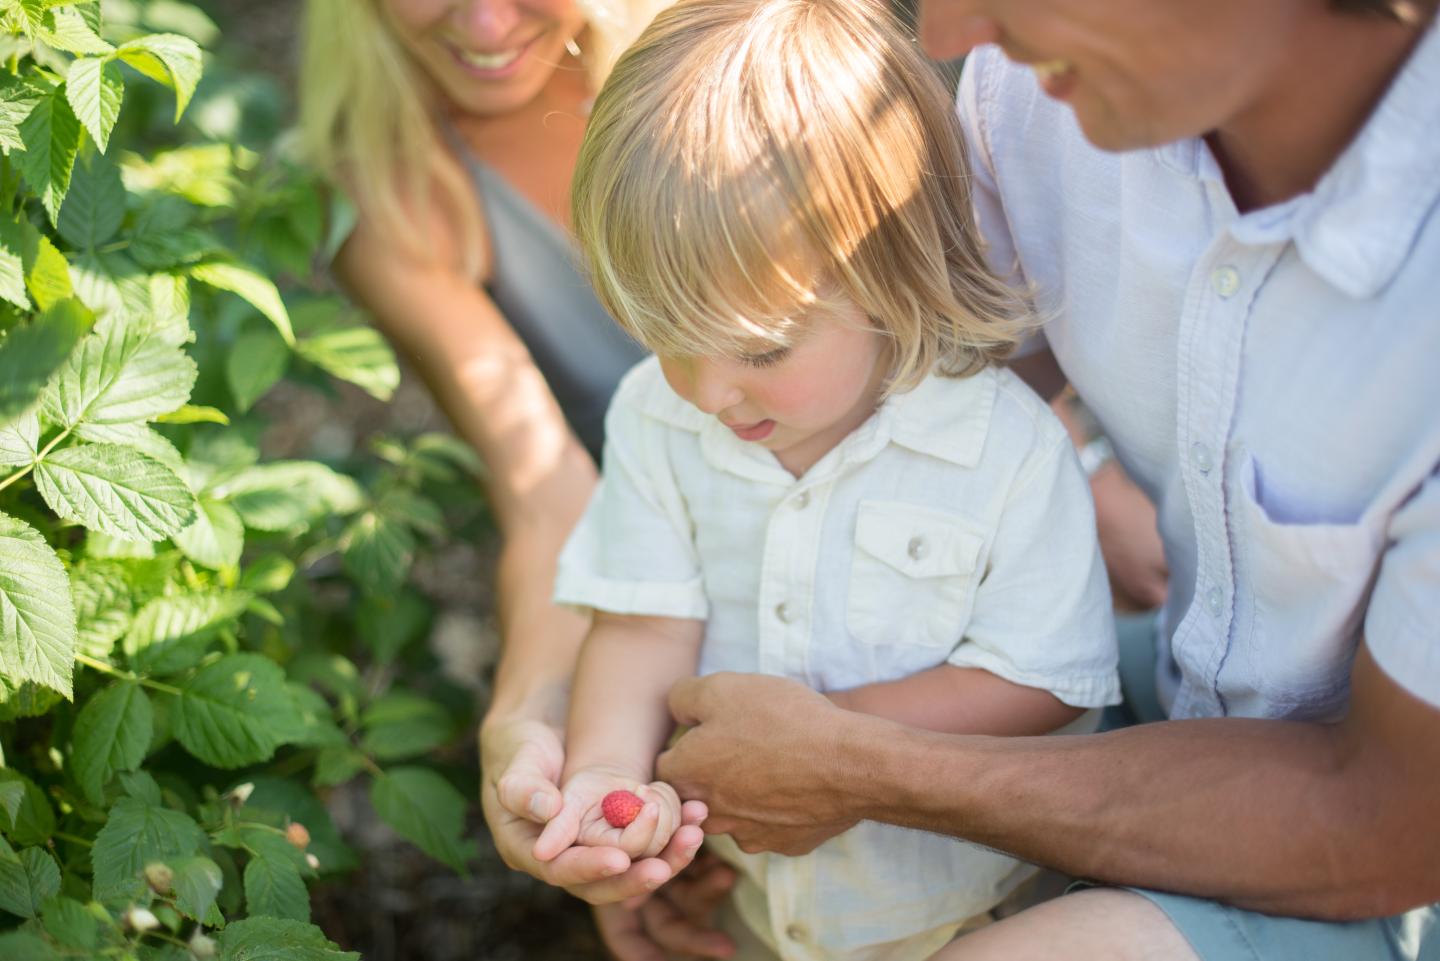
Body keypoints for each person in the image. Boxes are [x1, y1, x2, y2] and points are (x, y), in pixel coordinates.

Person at [652, 0, 1440, 958]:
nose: (946, 35)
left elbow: (1394, 824)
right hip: (1193, 698)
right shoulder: (1036, 92)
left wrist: (857, 766)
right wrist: (607, 762)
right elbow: (910, 422)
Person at [532, 0, 1122, 957]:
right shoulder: (658, 413)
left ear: (893, 270)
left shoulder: (1000, 447)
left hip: (976, 909)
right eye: (669, 340)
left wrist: (819, 746)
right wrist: (612, 780)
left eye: (760, 347)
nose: (710, 389)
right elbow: (643, 622)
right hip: (762, 904)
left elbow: (1041, 679)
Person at [295, 0, 708, 907]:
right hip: (666, 595)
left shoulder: (716, 54)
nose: (485, 26)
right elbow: (548, 492)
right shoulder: (398, 189)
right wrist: (528, 717)